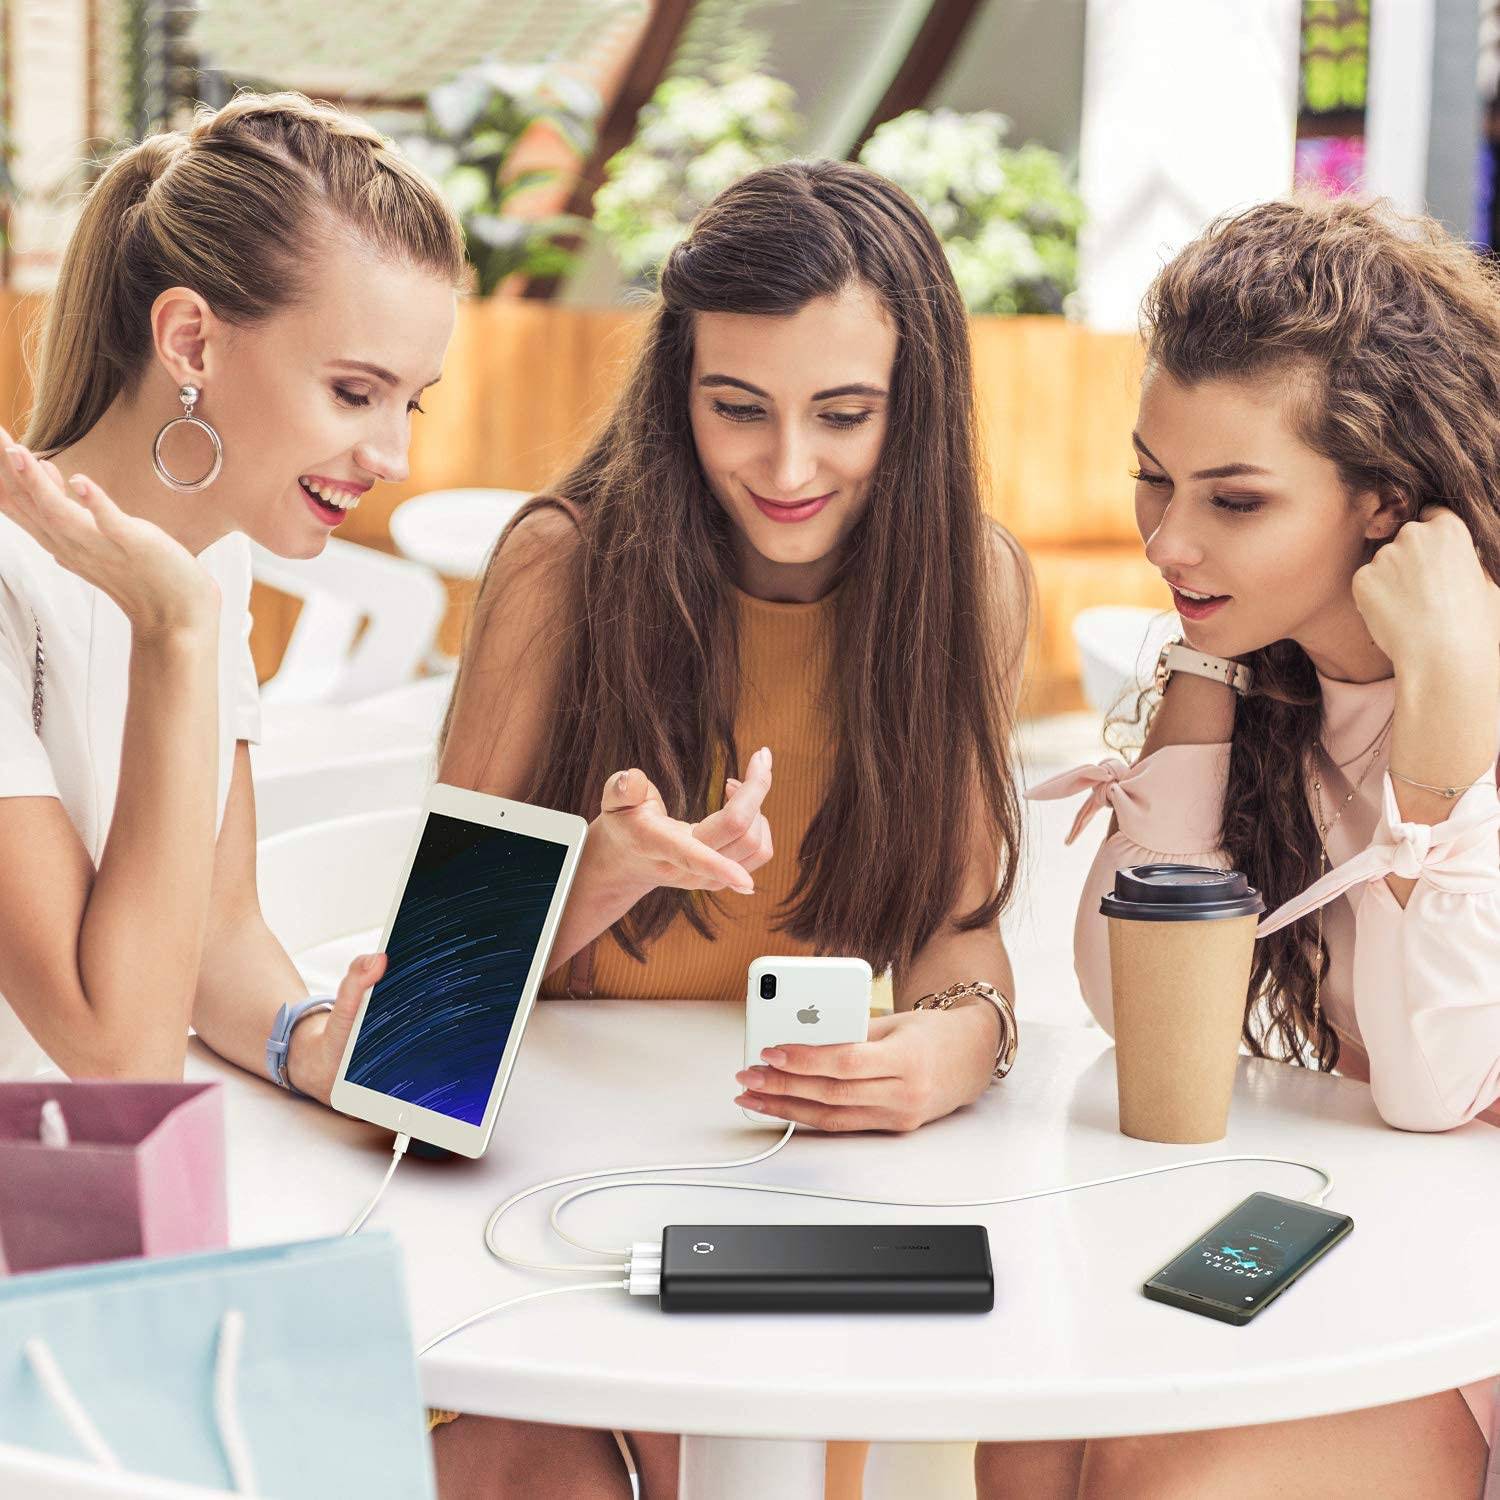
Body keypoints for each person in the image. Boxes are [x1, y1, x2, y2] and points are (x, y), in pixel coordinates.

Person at [434, 159, 1032, 1499]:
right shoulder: (562, 563)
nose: (788, 466)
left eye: (844, 412)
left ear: (915, 406)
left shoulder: (967, 585)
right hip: (535, 1188)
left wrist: (957, 1049)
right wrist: (589, 882)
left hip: (788, 1181)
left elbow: (958, 938)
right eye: (736, 408)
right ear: (678, 392)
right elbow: (430, 1012)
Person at [1007, 197, 1498, 1500]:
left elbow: (1434, 1084)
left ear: (1388, 506)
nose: (1169, 541)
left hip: (1475, 1307)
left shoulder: (1473, 690)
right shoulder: (1277, 692)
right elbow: (1131, 1009)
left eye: (1234, 499)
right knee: (1028, 1439)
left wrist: (1446, 708)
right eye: (1154, 479)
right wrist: (1203, 680)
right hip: (1388, 1224)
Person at [0, 91, 461, 1100]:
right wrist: (175, 634)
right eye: (354, 392)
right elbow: (120, 1055)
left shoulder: (210, 561)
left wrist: (310, 1039)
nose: (394, 456)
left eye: (409, 401)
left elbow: (212, 936)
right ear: (192, 344)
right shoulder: (103, 595)